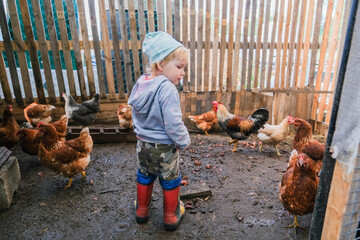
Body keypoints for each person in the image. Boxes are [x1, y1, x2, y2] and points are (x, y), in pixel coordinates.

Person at [128, 31, 191, 231]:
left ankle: (142, 211)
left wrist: (141, 133)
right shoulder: (167, 88)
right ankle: (171, 216)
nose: (182, 73)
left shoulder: (141, 83)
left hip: (143, 145)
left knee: (145, 175)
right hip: (164, 148)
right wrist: (183, 141)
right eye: (179, 67)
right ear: (160, 65)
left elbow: (135, 114)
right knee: (170, 179)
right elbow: (173, 124)